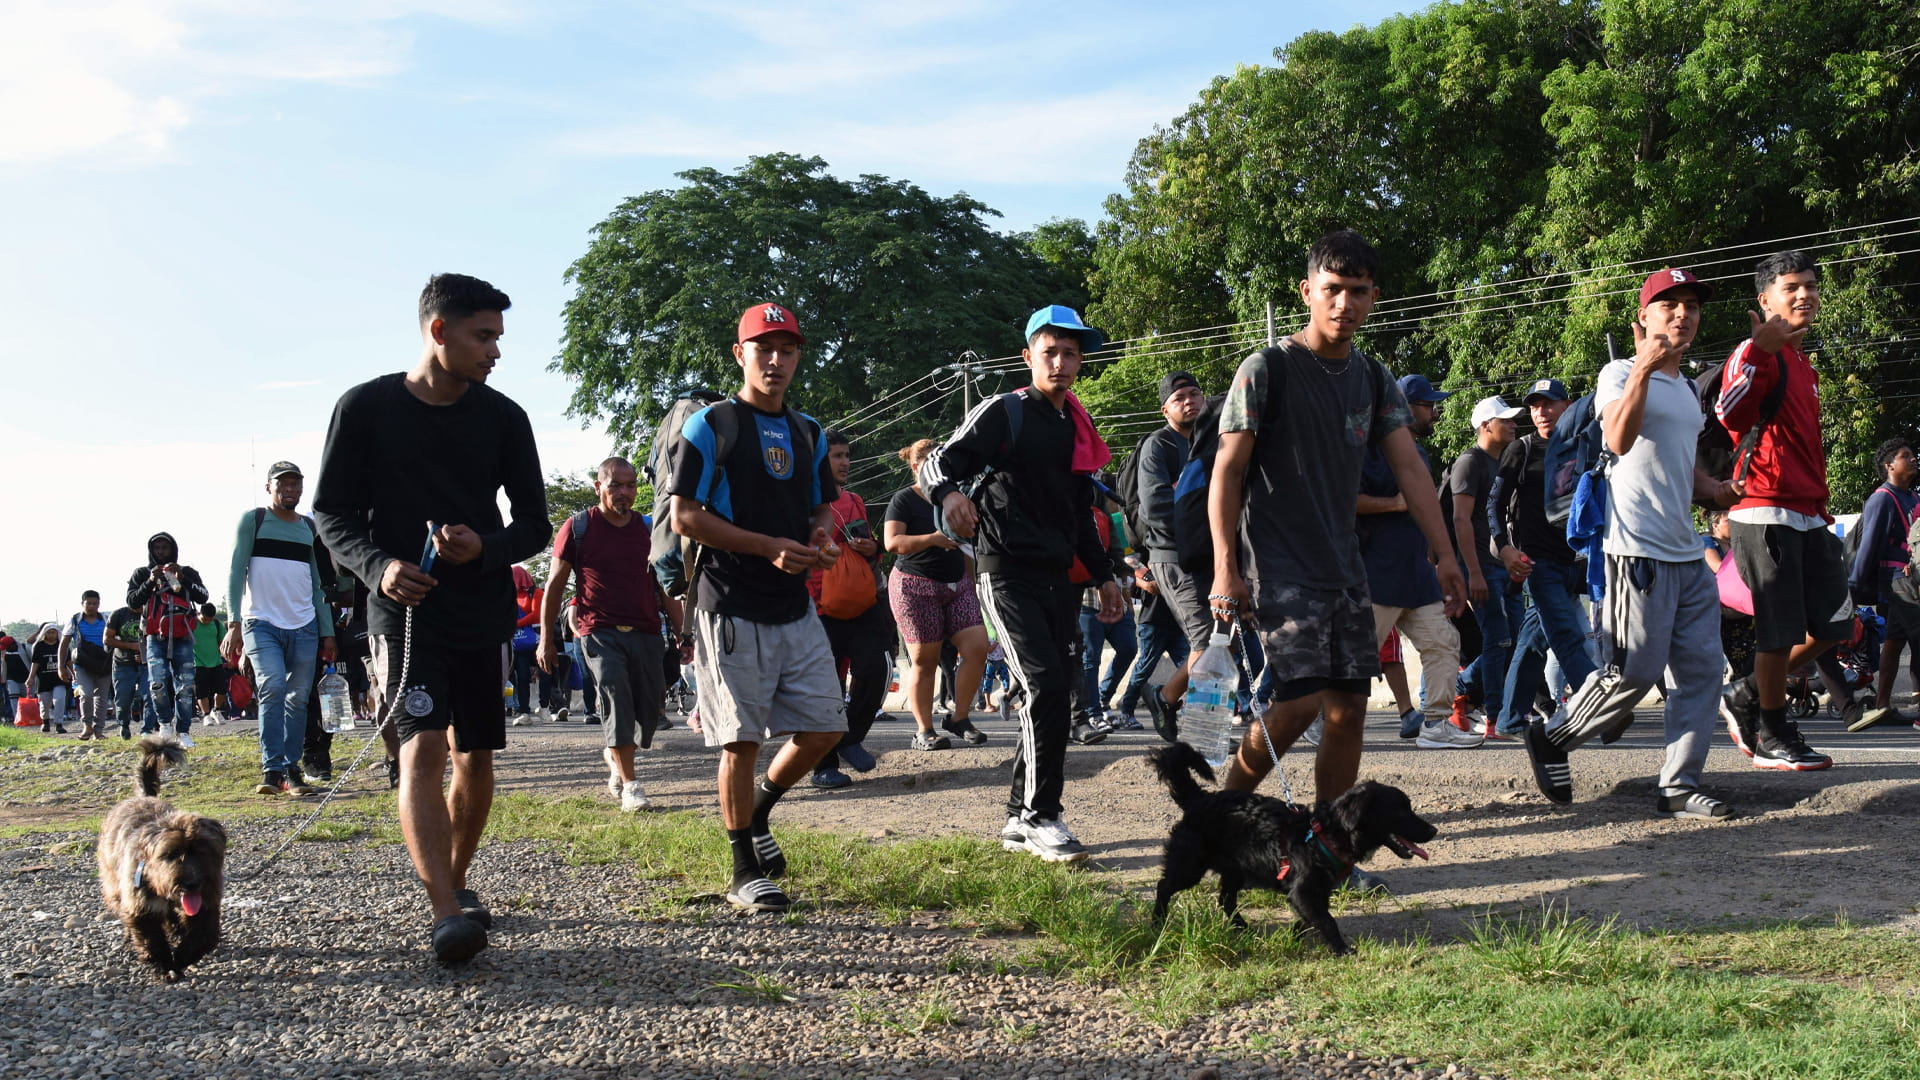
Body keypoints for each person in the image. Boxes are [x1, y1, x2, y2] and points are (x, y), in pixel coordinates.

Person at [314, 272, 549, 963]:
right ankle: (445, 910)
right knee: (423, 747)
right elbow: (331, 514)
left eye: (499, 338)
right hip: (403, 611)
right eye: (483, 336)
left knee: (476, 756)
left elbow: (534, 523)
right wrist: (378, 566)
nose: (495, 352)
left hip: (481, 609)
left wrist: (486, 549)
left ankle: (457, 881)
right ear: (437, 330)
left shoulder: (505, 418)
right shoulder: (364, 408)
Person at [1207, 230, 1467, 814]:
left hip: (1348, 570)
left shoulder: (1373, 378)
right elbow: (1228, 470)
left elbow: (1411, 470)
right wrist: (1226, 566)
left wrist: (1445, 554)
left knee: (1348, 711)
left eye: (1358, 292)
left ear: (1374, 297)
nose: (1344, 304)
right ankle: (1219, 817)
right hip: (1278, 567)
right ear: (1307, 291)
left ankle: (1328, 845)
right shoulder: (1267, 368)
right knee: (1298, 706)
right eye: (1332, 290)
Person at [1524, 268, 1740, 820]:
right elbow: (1619, 438)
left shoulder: (1689, 389)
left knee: (1699, 673)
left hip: (1686, 551)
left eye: (1691, 305)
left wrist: (1712, 488)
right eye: (1669, 304)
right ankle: (1554, 736)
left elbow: (1675, 458)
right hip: (1634, 550)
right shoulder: (1618, 372)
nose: (1683, 314)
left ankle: (1678, 785)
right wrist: (1643, 367)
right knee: (1631, 674)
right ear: (1643, 317)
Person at [919, 304, 1128, 863]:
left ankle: (1018, 815)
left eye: (1070, 353)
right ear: (1027, 357)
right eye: (1049, 352)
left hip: (1059, 577)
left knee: (1056, 693)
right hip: (1004, 572)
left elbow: (1080, 512)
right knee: (1045, 688)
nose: (1060, 362)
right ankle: (1042, 817)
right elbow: (937, 462)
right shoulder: (1003, 411)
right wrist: (950, 495)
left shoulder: (1076, 428)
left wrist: (1105, 576)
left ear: (1082, 360)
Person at [665, 301, 849, 912]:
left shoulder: (809, 431)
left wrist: (819, 537)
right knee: (739, 741)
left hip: (793, 603)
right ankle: (743, 868)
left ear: (798, 356)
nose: (775, 360)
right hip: (729, 603)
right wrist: (767, 546)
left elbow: (822, 504)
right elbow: (685, 515)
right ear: (740, 354)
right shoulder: (712, 425)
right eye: (763, 348)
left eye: (788, 349)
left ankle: (761, 810)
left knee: (826, 726)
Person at [1715, 251, 1839, 770]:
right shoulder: (1756, 351)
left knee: (1835, 626)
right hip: (1765, 509)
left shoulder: (1803, 362)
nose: (1804, 294)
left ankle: (1745, 692)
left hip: (1808, 510)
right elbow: (1729, 412)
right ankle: (1771, 728)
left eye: (1810, 285)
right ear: (1765, 299)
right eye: (1791, 287)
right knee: (1778, 630)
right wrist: (1758, 353)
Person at [538, 456, 684, 812]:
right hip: (598, 630)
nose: (624, 492)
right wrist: (546, 637)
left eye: (631, 485)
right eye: (616, 485)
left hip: (647, 631)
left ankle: (617, 756)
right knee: (615, 696)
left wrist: (683, 634)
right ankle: (632, 785)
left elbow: (665, 587)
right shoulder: (577, 528)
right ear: (598, 487)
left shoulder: (649, 528)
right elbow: (555, 586)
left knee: (649, 712)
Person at [1357, 374, 1476, 749]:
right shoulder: (1364, 448)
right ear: (1403, 407)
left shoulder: (1418, 454)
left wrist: (1441, 560)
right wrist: (1393, 503)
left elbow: (1426, 513)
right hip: (1374, 576)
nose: (1435, 412)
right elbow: (1341, 501)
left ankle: (1436, 724)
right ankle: (1315, 718)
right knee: (1353, 662)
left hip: (1417, 575)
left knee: (1443, 642)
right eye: (1427, 405)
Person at [1490, 378, 1601, 737]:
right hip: (1538, 562)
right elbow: (1494, 503)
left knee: (1536, 638)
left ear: (1568, 405)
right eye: (1535, 406)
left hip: (1579, 560)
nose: (1541, 412)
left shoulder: (1582, 445)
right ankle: (1599, 708)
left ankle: (1508, 718)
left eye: (1549, 403)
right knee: (1567, 636)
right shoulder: (1521, 449)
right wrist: (1505, 547)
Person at [225, 460, 339, 797]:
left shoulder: (309, 526)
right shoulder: (254, 520)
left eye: (295, 484)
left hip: (304, 624)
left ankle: (292, 770)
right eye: (283, 484)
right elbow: (236, 570)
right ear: (269, 488)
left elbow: (319, 582)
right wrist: (232, 621)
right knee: (272, 686)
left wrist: (327, 630)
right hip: (261, 623)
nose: (290, 490)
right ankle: (271, 768)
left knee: (299, 698)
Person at [884, 439, 993, 752]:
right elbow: (892, 543)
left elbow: (967, 543)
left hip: (957, 584)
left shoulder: (957, 497)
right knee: (925, 660)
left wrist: (971, 583)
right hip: (914, 585)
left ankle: (959, 718)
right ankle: (924, 730)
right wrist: (933, 538)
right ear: (918, 467)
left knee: (977, 647)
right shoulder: (904, 499)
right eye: (932, 463)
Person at [807, 430, 896, 786]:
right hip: (817, 608)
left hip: (861, 601)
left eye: (847, 455)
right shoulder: (802, 501)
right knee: (826, 686)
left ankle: (849, 737)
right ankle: (823, 766)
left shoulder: (855, 500)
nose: (845, 462)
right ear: (818, 461)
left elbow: (874, 546)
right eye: (837, 456)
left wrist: (869, 548)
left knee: (876, 668)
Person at [1135, 371, 1221, 741]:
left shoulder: (1211, 441)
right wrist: (1201, 506)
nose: (1190, 401)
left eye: (1195, 393)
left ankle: (1165, 697)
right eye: (1180, 397)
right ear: (1164, 409)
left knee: (1220, 641)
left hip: (1210, 556)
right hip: (1172, 556)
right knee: (1206, 642)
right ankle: (1202, 731)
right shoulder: (1159, 446)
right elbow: (1154, 505)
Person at [1443, 395, 1526, 734]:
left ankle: (1462, 690)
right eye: (1504, 419)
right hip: (1479, 565)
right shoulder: (1470, 462)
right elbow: (1460, 519)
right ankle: (1494, 715)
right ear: (1485, 425)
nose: (1512, 424)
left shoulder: (1506, 462)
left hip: (1504, 564)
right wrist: (1472, 571)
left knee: (1518, 638)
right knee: (1498, 640)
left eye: (1512, 419)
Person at [1846, 438, 1920, 729]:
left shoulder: (1913, 497)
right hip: (1898, 583)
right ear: (1890, 465)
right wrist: (1853, 589)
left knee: (1894, 642)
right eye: (1906, 456)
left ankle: (1882, 706)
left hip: (1911, 580)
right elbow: (1869, 547)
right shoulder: (1882, 498)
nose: (1914, 459)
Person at [126, 532, 211, 748]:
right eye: (157, 548)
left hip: (183, 636)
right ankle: (164, 724)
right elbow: (132, 601)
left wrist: (183, 579)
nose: (161, 552)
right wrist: (150, 581)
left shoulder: (187, 572)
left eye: (165, 547)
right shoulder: (142, 573)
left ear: (173, 549)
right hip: (155, 637)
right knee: (157, 683)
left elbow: (203, 596)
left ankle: (183, 731)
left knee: (184, 686)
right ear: (151, 551)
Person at [1075, 481, 1135, 737]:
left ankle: (1101, 697)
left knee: (1129, 647)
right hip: (1084, 600)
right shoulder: (1068, 512)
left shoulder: (1104, 517)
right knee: (1091, 659)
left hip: (1111, 595)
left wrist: (1124, 582)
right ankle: (1093, 714)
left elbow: (1116, 553)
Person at [60, 590, 114, 740]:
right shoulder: (74, 620)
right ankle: (87, 725)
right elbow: (63, 645)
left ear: (99, 604)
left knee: (102, 698)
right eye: (89, 603)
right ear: (82, 603)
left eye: (95, 603)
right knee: (86, 694)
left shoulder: (107, 619)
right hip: (82, 665)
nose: (92, 606)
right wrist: (61, 667)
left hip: (104, 664)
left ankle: (98, 730)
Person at [105, 602, 149, 738]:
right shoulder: (118, 614)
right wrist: (132, 646)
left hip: (147, 663)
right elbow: (107, 639)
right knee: (123, 699)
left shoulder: (152, 612)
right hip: (123, 663)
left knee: (151, 696)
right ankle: (124, 723)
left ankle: (147, 729)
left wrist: (145, 651)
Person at [508, 564, 543, 724]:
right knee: (522, 676)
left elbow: (537, 615)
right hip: (519, 643)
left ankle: (545, 707)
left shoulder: (536, 593)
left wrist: (516, 624)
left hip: (537, 640)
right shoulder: (510, 595)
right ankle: (524, 710)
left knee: (545, 673)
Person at [191, 604, 231, 727]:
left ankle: (216, 710)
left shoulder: (217, 625)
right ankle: (206, 715)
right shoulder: (192, 624)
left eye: (210, 619)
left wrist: (227, 658)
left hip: (216, 662)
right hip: (198, 663)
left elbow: (223, 642)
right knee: (201, 692)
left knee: (222, 690)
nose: (208, 621)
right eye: (205, 618)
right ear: (199, 614)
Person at [26, 624, 69, 735]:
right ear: (44, 633)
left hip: (59, 678)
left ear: (57, 633)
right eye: (49, 632)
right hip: (43, 679)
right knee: (44, 703)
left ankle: (59, 724)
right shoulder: (39, 646)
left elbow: (69, 662)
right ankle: (45, 722)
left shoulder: (62, 645)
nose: (51, 635)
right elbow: (35, 663)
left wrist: (74, 674)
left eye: (53, 632)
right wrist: (30, 678)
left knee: (59, 700)